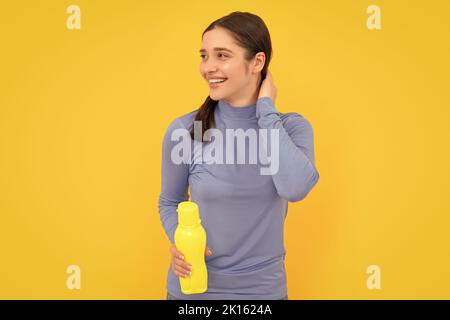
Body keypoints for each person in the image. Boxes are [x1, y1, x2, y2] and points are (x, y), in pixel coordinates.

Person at [158, 11, 319, 300]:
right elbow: (170, 201)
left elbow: (295, 188)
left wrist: (266, 109)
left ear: (257, 62)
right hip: (193, 289)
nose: (208, 67)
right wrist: (180, 240)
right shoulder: (185, 130)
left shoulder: (292, 128)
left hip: (263, 293)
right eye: (204, 55)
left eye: (222, 55)